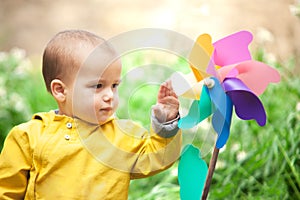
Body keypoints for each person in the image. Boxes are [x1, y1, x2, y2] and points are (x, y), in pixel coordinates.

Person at [0, 30, 181, 199]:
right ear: (60, 91)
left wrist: (166, 124)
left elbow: (157, 158)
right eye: (98, 86)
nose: (110, 95)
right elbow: (6, 190)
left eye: (114, 86)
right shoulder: (29, 136)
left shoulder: (122, 136)